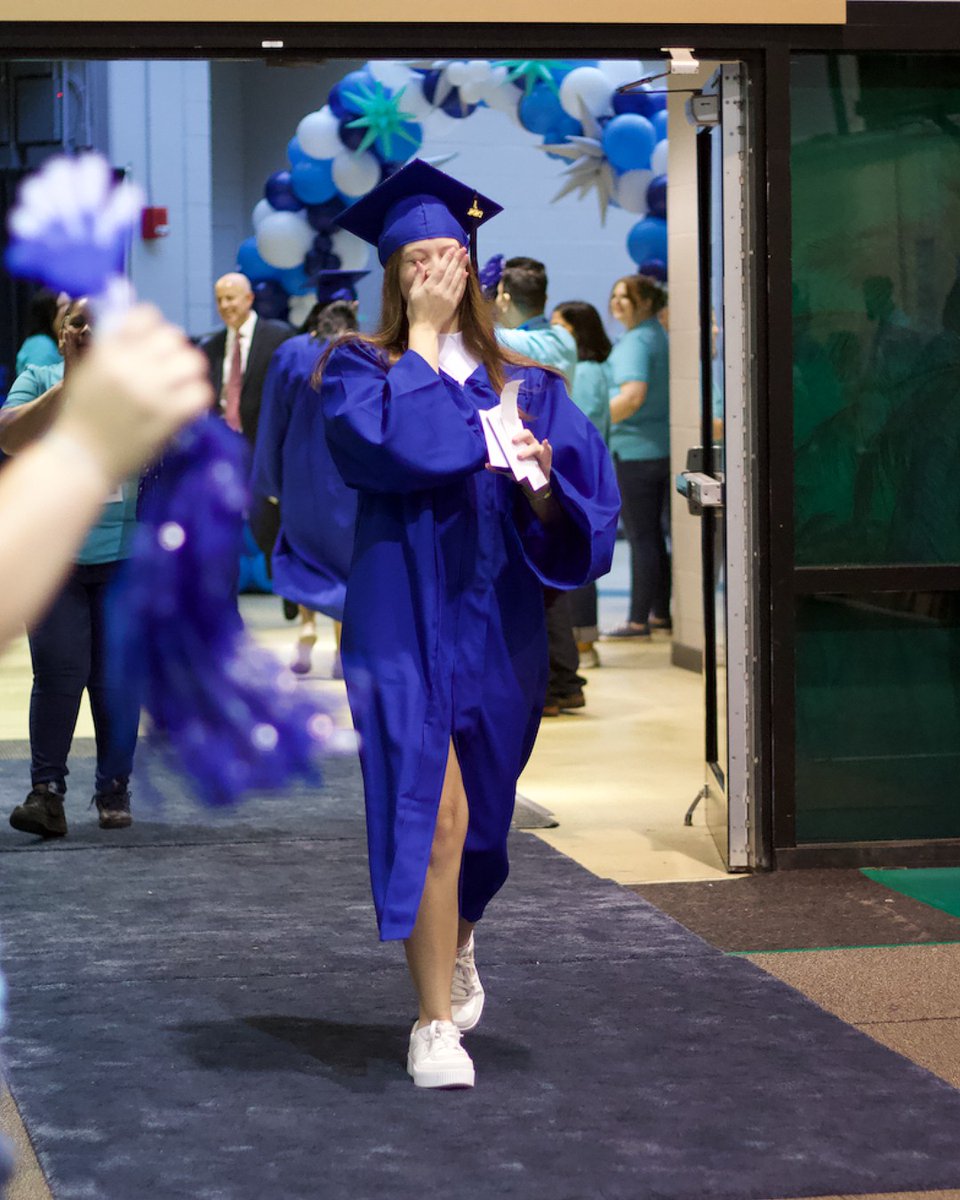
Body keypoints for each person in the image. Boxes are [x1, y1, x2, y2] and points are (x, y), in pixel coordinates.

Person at [319, 160, 619, 1089]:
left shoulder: (527, 387)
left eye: (449, 258)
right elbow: (395, 453)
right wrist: (421, 338)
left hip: (495, 627)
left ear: (478, 267)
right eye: (416, 262)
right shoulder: (357, 373)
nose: (436, 275)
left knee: (483, 826)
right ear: (394, 275)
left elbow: (584, 513)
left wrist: (534, 482)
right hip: (400, 623)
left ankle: (460, 938)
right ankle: (432, 1024)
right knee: (435, 814)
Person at [0, 303, 212, 834]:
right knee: (59, 673)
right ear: (60, 331)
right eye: (78, 321)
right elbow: (9, 437)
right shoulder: (40, 376)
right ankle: (46, 793)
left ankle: (113, 787)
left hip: (128, 555)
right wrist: (70, 384)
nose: (89, 330)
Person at [252, 274, 364, 677]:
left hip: (301, 473)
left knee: (303, 550)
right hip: (351, 475)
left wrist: (268, 479)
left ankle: (305, 628)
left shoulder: (291, 352)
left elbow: (271, 421)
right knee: (346, 558)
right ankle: (340, 647)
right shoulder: (367, 353)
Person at [495, 257, 585, 715]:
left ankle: (551, 687)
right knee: (555, 577)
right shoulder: (562, 339)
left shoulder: (511, 341)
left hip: (534, 461)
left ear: (504, 298)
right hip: (571, 461)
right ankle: (566, 681)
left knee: (538, 578)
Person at [199, 272, 294, 593]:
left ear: (249, 299)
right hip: (224, 459)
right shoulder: (210, 347)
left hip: (264, 453)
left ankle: (290, 595)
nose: (225, 305)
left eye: (231, 298)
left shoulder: (278, 338)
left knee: (272, 529)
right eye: (219, 299)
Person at [604, 273, 671, 640]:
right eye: (614, 295)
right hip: (659, 448)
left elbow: (632, 396)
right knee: (656, 540)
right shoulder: (656, 336)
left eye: (625, 296)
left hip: (635, 451)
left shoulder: (635, 342)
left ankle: (636, 620)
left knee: (642, 538)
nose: (616, 303)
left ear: (645, 302)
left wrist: (592, 419)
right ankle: (660, 613)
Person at [550, 301, 613, 670]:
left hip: (579, 477)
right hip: (586, 475)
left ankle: (585, 644)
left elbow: (577, 427)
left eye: (559, 328)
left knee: (580, 557)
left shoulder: (585, 373)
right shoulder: (593, 369)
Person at [15, 287, 64, 375]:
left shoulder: (48, 343)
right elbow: (42, 387)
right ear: (48, 313)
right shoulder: (42, 346)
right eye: (63, 305)